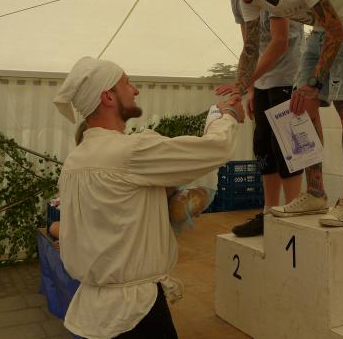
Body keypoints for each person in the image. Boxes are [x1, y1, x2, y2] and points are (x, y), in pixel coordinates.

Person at [53, 56, 243, 339]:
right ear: (107, 97)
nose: (135, 90)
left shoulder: (74, 162)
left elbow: (112, 220)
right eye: (127, 83)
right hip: (136, 315)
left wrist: (160, 200)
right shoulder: (131, 151)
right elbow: (217, 148)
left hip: (94, 313)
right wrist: (227, 115)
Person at [205, 0, 343, 227]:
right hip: (323, 28)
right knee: (300, 107)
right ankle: (316, 192)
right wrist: (239, 89)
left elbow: (336, 29)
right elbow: (251, 48)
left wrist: (315, 83)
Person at [216, 0, 304, 237]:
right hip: (262, 80)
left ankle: (293, 212)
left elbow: (280, 42)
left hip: (290, 78)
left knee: (287, 148)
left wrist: (243, 83)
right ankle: (269, 213)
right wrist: (252, 89)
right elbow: (250, 46)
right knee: (263, 145)